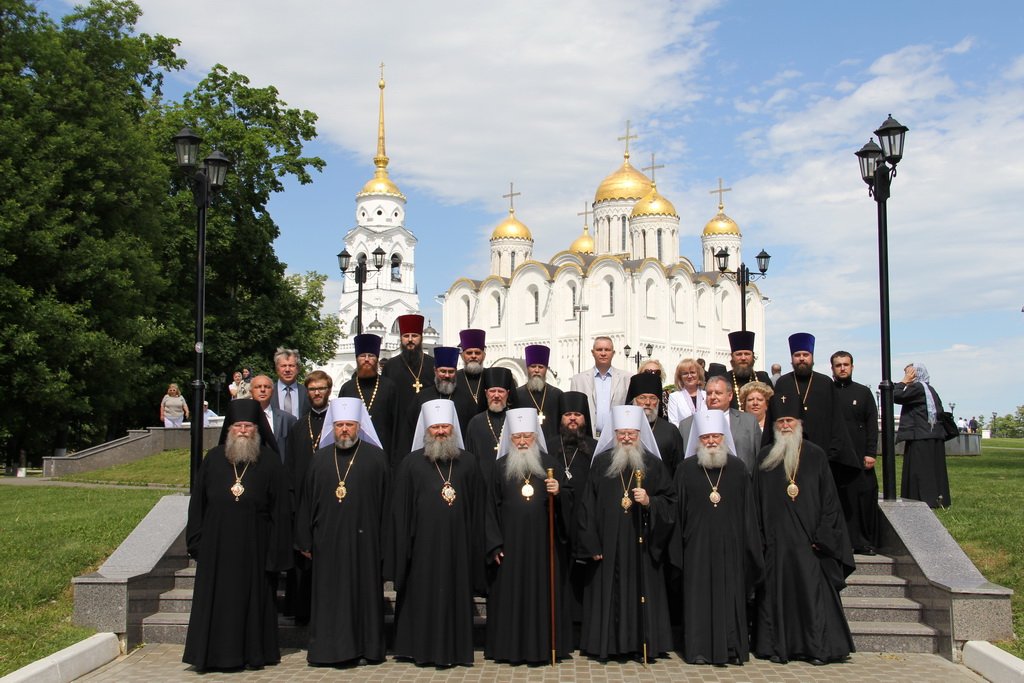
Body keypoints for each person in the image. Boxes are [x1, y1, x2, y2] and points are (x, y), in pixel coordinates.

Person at [183, 399, 292, 672]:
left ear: (258, 429)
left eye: (248, 426)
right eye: (238, 426)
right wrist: (196, 541)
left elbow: (280, 510)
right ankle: (213, 656)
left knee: (252, 603)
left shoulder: (270, 462)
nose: (243, 431)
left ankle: (254, 654)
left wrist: (276, 553)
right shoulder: (213, 459)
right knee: (218, 603)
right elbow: (198, 505)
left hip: (256, 546)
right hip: (216, 547)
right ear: (229, 429)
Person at [752, 397, 855, 665]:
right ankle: (778, 647)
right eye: (781, 422)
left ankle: (816, 648)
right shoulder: (764, 458)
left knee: (812, 597)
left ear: (800, 424)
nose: (785, 426)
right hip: (776, 546)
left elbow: (830, 501)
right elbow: (756, 501)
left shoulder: (816, 454)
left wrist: (822, 537)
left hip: (811, 545)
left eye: (790, 421)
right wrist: (761, 537)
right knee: (777, 597)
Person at [386, 399, 487, 667]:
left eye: (445, 426)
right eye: (435, 427)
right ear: (426, 430)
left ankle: (455, 650)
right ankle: (419, 649)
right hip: (421, 549)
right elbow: (400, 513)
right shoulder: (410, 464)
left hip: (459, 549)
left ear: (453, 428)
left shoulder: (469, 463)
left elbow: (479, 510)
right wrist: (402, 551)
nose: (441, 432)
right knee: (422, 596)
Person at [577, 405, 676, 661]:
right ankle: (607, 645)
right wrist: (592, 544)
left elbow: (670, 502)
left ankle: (640, 644)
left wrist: (649, 503)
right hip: (607, 546)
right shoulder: (601, 463)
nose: (627, 438)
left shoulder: (653, 465)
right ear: (615, 433)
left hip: (640, 544)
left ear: (640, 433)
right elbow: (587, 505)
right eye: (622, 433)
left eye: (632, 433)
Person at [295, 397, 389, 666]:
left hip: (366, 543)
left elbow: (386, 503)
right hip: (327, 543)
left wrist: (384, 542)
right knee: (329, 597)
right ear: (332, 427)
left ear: (359, 426)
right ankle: (328, 649)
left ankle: (366, 648)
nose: (344, 430)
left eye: (349, 424)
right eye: (339, 425)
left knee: (363, 596)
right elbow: (306, 500)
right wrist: (304, 539)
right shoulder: (320, 459)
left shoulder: (377, 459)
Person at [669, 410, 763, 666]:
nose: (711, 441)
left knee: (730, 596)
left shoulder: (739, 469)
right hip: (696, 548)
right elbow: (676, 513)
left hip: (730, 548)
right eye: (706, 436)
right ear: (698, 439)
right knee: (697, 599)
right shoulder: (685, 470)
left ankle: (732, 648)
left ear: (724, 438)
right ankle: (698, 650)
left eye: (716, 436)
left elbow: (748, 514)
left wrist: (748, 548)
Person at [484, 408, 574, 664]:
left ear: (536, 437)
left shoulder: (550, 466)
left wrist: (559, 493)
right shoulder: (500, 467)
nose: (522, 441)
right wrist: (494, 544)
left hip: (543, 548)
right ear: (509, 439)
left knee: (542, 596)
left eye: (527, 436)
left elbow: (569, 503)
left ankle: (544, 648)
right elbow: (490, 507)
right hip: (509, 549)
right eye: (517, 437)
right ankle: (508, 649)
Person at [765, 333, 860, 477]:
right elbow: (775, 417)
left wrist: (832, 451)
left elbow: (837, 419)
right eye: (797, 355)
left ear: (812, 357)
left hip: (822, 452)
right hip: (790, 455)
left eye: (806, 354)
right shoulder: (783, 382)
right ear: (792, 358)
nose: (801, 358)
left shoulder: (825, 382)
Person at [283, 370, 333, 625]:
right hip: (302, 500)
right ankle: (302, 609)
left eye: (321, 388)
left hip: (330, 501)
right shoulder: (298, 426)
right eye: (312, 389)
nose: (317, 393)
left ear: (329, 391)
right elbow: (290, 466)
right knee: (302, 558)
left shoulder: (338, 425)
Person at [831, 351, 880, 554]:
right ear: (832, 368)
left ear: (852, 367)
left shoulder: (863, 393)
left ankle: (863, 542)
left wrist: (871, 452)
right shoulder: (828, 392)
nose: (842, 368)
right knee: (839, 500)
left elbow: (871, 424)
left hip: (860, 456)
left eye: (846, 364)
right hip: (835, 458)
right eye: (838, 365)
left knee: (863, 499)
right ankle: (840, 542)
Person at [679, 375, 761, 475]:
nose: (713, 397)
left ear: (730, 396)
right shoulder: (687, 425)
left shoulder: (749, 421)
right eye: (709, 393)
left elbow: (759, 459)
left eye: (718, 393)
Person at [895, 363, 951, 508]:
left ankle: (922, 498)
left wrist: (903, 381)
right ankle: (939, 498)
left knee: (919, 470)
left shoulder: (917, 388)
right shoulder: (930, 389)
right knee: (934, 469)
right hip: (933, 434)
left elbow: (895, 395)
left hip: (920, 435)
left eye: (908, 372)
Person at [338, 333, 400, 466]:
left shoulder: (390, 387)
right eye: (362, 356)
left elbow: (396, 424)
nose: (366, 359)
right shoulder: (347, 388)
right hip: (353, 452)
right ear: (356, 359)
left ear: (377, 359)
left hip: (384, 452)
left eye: (371, 356)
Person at [381, 314, 436, 458]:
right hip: (399, 428)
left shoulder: (433, 364)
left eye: (414, 335)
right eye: (406, 336)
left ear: (421, 338)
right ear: (401, 338)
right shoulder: (391, 366)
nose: (410, 340)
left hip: (428, 426)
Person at [411, 345, 475, 443]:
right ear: (435, 371)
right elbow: (412, 428)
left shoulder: (466, 399)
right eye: (443, 371)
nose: (447, 375)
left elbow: (471, 433)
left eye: (451, 372)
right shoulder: (422, 397)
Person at [464, 366, 518, 483]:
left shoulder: (516, 420)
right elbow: (469, 458)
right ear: (486, 393)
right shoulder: (475, 423)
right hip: (481, 485)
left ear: (508, 393)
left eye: (501, 391)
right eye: (492, 391)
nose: (496, 395)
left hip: (511, 483)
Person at [570, 336, 629, 438]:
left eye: (607, 350)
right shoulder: (578, 380)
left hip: (617, 437)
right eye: (599, 350)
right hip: (588, 437)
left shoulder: (626, 378)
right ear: (593, 352)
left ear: (613, 353)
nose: (603, 353)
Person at [627, 371, 683, 476]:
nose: (647, 402)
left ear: (658, 402)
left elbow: (678, 469)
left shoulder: (670, 431)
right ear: (633, 401)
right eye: (642, 397)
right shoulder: (623, 430)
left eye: (653, 398)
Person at [515, 344, 564, 441]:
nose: (536, 370)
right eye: (533, 366)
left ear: (546, 369)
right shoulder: (517, 394)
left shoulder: (557, 394)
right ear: (527, 369)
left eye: (541, 367)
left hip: (552, 448)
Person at [251, 374, 296, 460]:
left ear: (272, 391)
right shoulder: (242, 420)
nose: (263, 390)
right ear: (251, 391)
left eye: (267, 387)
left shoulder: (288, 419)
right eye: (258, 387)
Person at [724, 331, 772, 410]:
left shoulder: (763, 379)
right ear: (732, 357)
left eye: (747, 354)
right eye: (739, 354)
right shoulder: (724, 380)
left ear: (753, 356)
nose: (743, 358)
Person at [455, 328, 488, 415]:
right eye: (469, 353)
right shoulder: (454, 378)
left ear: (484, 355)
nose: (473, 356)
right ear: (462, 356)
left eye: (477, 353)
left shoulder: (491, 377)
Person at [666, 358, 706, 425]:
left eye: (692, 372)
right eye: (685, 373)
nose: (689, 376)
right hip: (683, 434)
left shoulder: (706, 395)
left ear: (698, 375)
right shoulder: (674, 397)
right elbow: (673, 423)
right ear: (680, 377)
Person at [275, 347, 309, 419]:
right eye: (283, 366)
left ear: (298, 369)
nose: (287, 369)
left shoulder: (307, 392)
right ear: (277, 369)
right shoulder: (269, 392)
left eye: (291, 366)